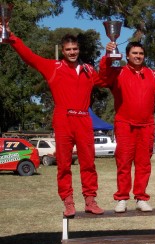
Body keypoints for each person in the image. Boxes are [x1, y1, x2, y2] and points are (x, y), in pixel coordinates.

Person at [2, 23, 105, 217]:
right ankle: (68, 201)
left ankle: (90, 200)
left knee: (89, 162)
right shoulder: (53, 67)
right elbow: (29, 57)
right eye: (68, 49)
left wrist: (108, 59)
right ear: (63, 50)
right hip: (63, 118)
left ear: (79, 49)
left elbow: (106, 81)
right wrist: (12, 37)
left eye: (75, 49)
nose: (72, 52)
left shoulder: (89, 70)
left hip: (84, 118)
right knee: (64, 163)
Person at [99, 41, 155, 213]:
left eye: (141, 53)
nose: (138, 56)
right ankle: (122, 198)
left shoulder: (151, 73)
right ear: (127, 55)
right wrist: (106, 56)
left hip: (146, 125)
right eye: (134, 53)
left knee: (144, 164)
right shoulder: (118, 72)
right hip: (125, 124)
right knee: (124, 162)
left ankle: (141, 197)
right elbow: (103, 77)